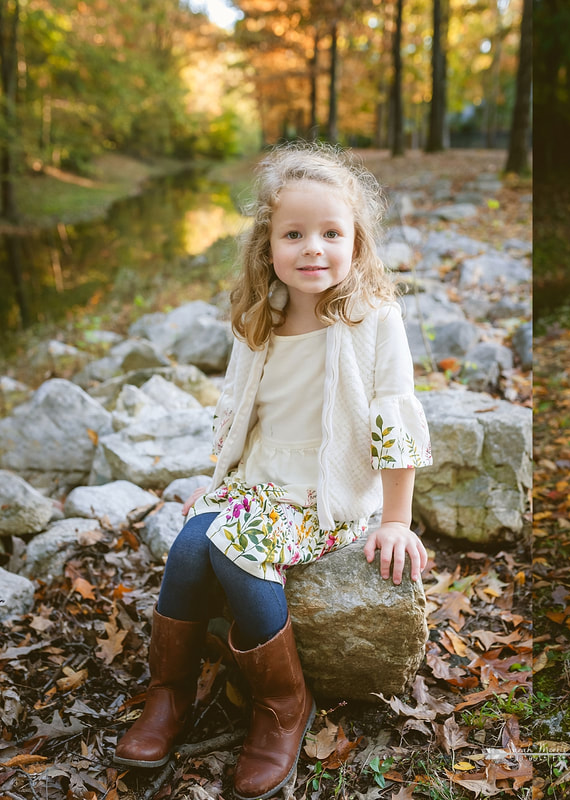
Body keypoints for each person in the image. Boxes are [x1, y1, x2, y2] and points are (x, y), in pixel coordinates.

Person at [113, 142, 432, 799]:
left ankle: (283, 705)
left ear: (356, 241)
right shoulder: (262, 316)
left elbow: (393, 418)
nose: (313, 248)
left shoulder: (373, 320)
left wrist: (397, 518)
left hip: (323, 490)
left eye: (330, 233)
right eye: (294, 234)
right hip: (258, 480)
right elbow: (244, 413)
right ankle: (169, 692)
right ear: (268, 246)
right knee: (189, 550)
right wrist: (219, 489)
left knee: (235, 554)